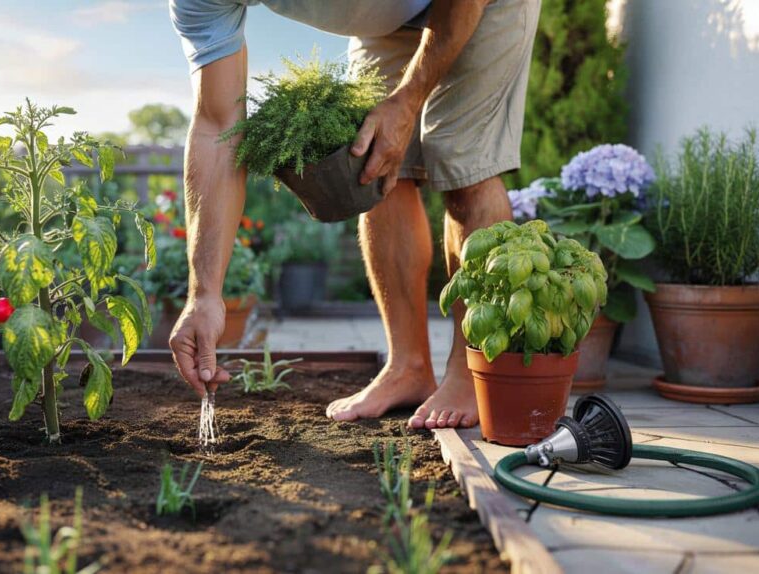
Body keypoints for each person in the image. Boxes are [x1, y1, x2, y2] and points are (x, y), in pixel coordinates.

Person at [168, 0, 540, 429]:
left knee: (463, 166)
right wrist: (204, 294)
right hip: (387, 19)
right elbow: (218, 126)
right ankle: (408, 368)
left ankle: (474, 372)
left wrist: (408, 99)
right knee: (372, 167)